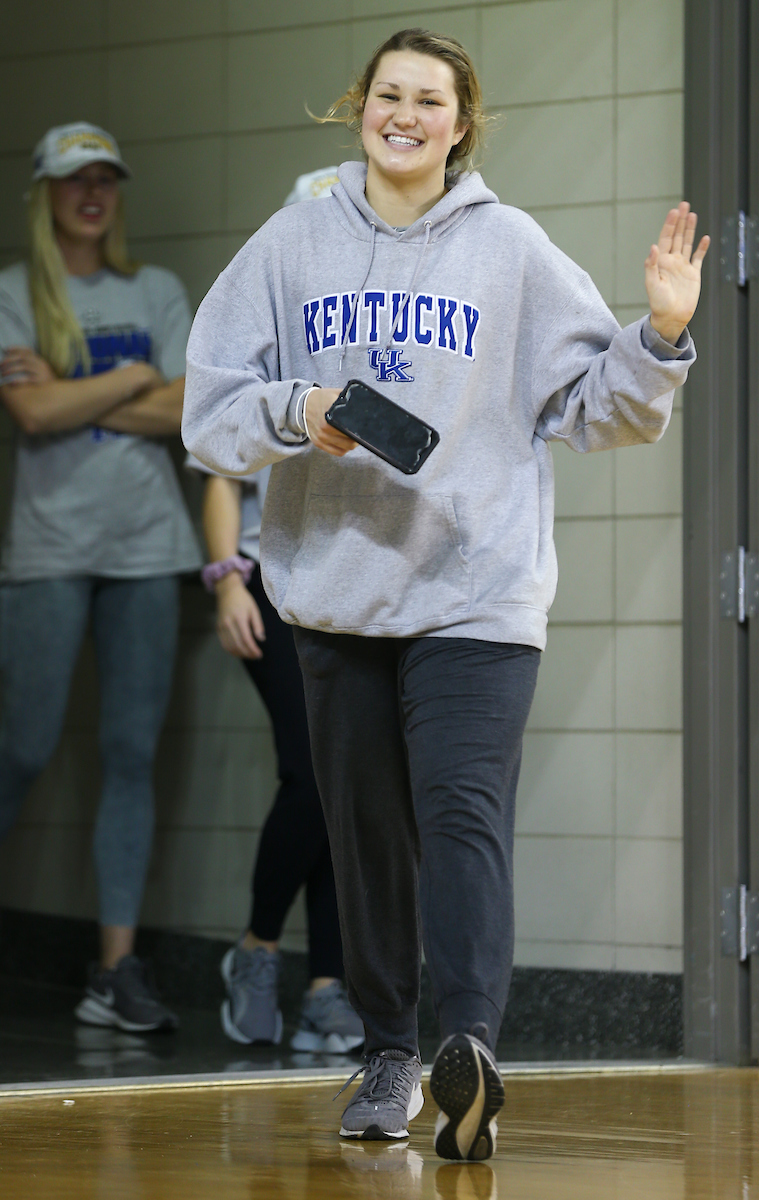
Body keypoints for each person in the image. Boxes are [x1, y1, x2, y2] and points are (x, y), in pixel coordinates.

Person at [182, 28, 708, 1159]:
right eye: (388, 94)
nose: (405, 113)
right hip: (335, 601)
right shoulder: (290, 242)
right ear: (357, 109)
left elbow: (591, 410)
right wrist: (294, 409)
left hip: (477, 597)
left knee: (461, 816)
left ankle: (466, 1047)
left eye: (430, 99)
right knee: (365, 832)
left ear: (461, 124)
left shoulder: (509, 249)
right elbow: (209, 406)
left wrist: (659, 333)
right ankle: (386, 1050)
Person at [0, 123, 202, 1033]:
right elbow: (32, 414)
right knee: (22, 751)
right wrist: (130, 377)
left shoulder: (157, 288)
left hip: (148, 551)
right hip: (48, 549)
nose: (93, 192)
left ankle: (114, 973)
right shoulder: (11, 293)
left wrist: (78, 390)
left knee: (130, 757)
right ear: (43, 192)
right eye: (75, 179)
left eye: (107, 179)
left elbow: (192, 410)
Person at [187, 167, 362, 1052]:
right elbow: (224, 467)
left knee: (349, 782)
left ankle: (329, 983)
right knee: (312, 772)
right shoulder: (267, 324)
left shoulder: (377, 330)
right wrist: (225, 578)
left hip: (351, 585)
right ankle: (258, 951)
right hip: (267, 577)